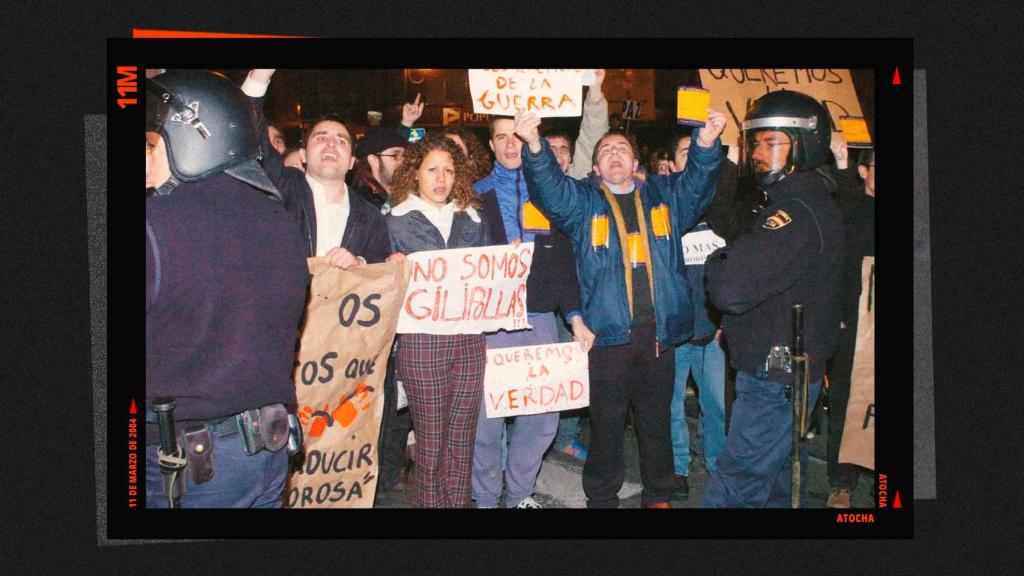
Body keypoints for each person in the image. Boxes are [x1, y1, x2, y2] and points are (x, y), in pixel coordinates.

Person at [517, 105, 726, 509]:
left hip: (657, 335)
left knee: (656, 420)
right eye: (606, 151)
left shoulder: (665, 196)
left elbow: (699, 184)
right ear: (596, 167)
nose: (615, 154)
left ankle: (659, 492)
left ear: (635, 162)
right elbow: (549, 189)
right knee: (607, 422)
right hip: (607, 336)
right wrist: (534, 145)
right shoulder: (583, 202)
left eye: (622, 149)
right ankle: (601, 496)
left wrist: (705, 143)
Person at [145, 70, 310, 508]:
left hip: (189, 467)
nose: (146, 160)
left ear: (191, 142)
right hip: (268, 455)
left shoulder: (156, 224)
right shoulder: (279, 220)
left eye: (153, 146)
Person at [699, 90, 844, 508]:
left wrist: (716, 260)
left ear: (805, 144)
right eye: (755, 143)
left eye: (772, 142)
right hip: (786, 375)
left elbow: (730, 287)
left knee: (736, 490)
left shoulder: (796, 211)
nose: (760, 154)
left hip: (774, 378)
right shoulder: (804, 199)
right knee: (779, 487)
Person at [471, 117, 596, 509]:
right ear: (491, 145)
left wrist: (575, 317)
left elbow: (563, 263)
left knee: (542, 420)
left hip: (539, 317)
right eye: (501, 138)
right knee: (485, 421)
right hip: (489, 323)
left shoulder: (547, 193)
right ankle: (485, 497)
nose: (511, 145)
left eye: (517, 137)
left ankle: (519, 494)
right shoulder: (472, 197)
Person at [386, 135, 492, 508]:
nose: (441, 178)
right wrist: (391, 268)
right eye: (432, 169)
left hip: (469, 338)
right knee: (430, 443)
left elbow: (489, 272)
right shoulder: (395, 221)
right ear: (415, 173)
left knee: (462, 440)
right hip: (422, 340)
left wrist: (505, 262)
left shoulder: (473, 217)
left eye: (448, 170)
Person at [242, 69, 390, 266]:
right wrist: (260, 76)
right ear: (303, 155)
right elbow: (249, 132)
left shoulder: (370, 216)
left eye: (341, 141)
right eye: (321, 138)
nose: (331, 144)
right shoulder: (282, 189)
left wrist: (359, 263)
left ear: (352, 162)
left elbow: (381, 266)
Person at [825, 145, 875, 508]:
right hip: (852, 321)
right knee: (844, 400)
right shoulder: (849, 208)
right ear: (863, 171)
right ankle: (842, 482)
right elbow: (834, 265)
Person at [350, 127, 409, 213]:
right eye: (395, 155)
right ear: (373, 160)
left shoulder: (408, 193)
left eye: (405, 156)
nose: (403, 161)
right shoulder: (360, 206)